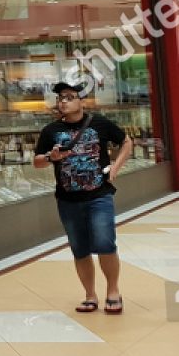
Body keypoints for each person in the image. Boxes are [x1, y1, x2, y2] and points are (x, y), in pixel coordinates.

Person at [33, 80, 133, 314]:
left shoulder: (99, 123)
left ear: (81, 101)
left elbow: (127, 142)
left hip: (99, 195)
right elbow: (36, 162)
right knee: (79, 248)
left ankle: (113, 291)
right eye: (60, 98)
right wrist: (51, 158)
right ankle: (90, 295)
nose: (63, 102)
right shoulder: (51, 131)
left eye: (69, 97)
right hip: (68, 200)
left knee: (105, 243)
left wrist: (115, 168)